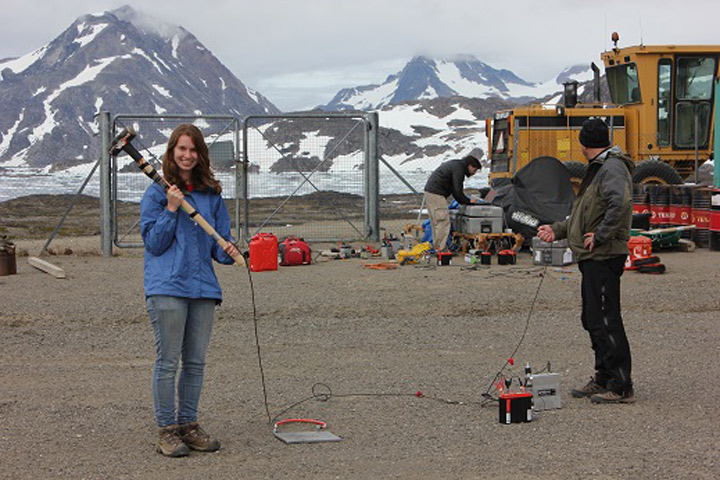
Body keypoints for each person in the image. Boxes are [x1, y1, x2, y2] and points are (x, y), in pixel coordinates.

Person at [140, 124, 239, 457]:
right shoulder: (157, 192)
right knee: (168, 362)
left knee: (195, 363)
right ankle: (167, 431)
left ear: (201, 155)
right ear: (172, 152)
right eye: (181, 149)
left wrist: (231, 252)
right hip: (167, 287)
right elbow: (154, 243)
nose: (187, 155)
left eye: (193, 149)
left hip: (203, 288)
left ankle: (189, 426)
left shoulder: (211, 194)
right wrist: (170, 208)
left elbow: (216, 245)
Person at [537, 118, 636, 404]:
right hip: (592, 256)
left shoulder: (612, 167)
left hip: (604, 255)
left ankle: (621, 384)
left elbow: (621, 203)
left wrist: (602, 235)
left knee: (606, 318)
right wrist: (556, 230)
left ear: (583, 144)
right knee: (592, 318)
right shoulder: (599, 168)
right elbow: (583, 214)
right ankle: (604, 376)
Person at [423, 155, 481, 251]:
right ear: (470, 166)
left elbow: (456, 191)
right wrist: (468, 202)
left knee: (436, 222)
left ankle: (436, 246)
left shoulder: (456, 165)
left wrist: (464, 200)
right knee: (443, 222)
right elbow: (457, 190)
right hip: (437, 194)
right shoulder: (459, 169)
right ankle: (441, 249)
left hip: (431, 192)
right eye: (474, 170)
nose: (474, 173)